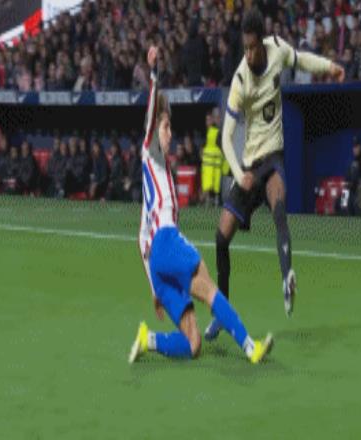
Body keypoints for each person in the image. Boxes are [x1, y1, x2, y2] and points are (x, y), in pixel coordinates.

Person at [204, 8, 345, 340]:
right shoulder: (241, 80)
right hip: (250, 167)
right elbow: (226, 137)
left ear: (262, 41)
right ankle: (222, 311)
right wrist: (238, 173)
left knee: (280, 208)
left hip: (273, 157)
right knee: (221, 238)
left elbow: (301, 60)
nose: (249, 54)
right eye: (245, 48)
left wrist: (330, 67)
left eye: (253, 47)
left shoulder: (278, 49)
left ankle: (287, 277)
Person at [129, 46, 273, 365]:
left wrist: (154, 288)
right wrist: (153, 74)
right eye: (166, 128)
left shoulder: (155, 173)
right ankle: (250, 346)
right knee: (210, 290)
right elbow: (151, 117)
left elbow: (141, 237)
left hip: (157, 262)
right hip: (167, 242)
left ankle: (147, 340)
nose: (170, 134)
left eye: (169, 128)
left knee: (193, 344)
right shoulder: (150, 152)